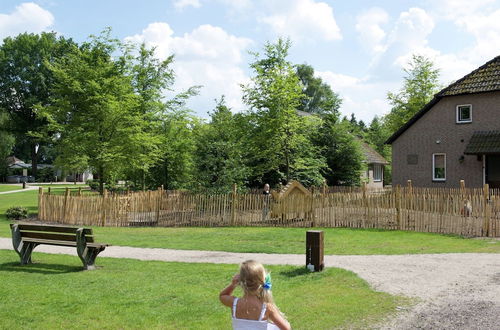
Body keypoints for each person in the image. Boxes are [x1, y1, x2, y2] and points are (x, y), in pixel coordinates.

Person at [219, 260, 291, 330]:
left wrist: (233, 285)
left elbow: (222, 295)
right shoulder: (267, 308)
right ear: (262, 281)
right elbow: (286, 328)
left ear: (240, 280)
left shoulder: (234, 303)